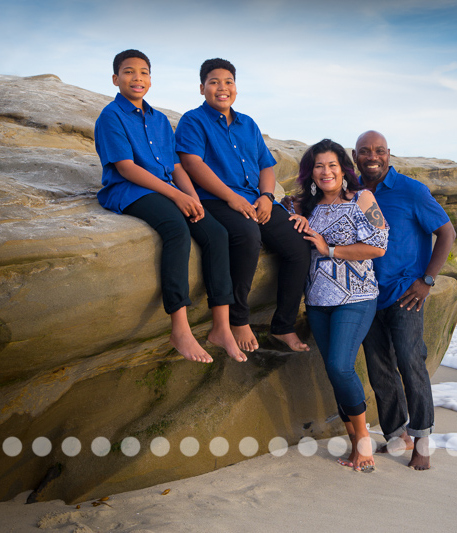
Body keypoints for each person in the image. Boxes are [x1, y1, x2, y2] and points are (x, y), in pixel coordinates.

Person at [94, 49, 246, 365]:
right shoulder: (111, 116)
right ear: (115, 79)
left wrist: (190, 196)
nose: (137, 78)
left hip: (168, 189)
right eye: (128, 72)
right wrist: (176, 197)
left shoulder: (160, 119)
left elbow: (176, 166)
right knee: (176, 230)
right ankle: (179, 328)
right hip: (130, 191)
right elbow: (126, 168)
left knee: (215, 233)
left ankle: (221, 326)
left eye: (144, 72)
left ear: (150, 78)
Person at [176, 58, 310, 353]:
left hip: (255, 199)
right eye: (213, 82)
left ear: (235, 88)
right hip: (214, 200)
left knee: (299, 248)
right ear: (202, 88)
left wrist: (266, 196)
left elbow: (266, 166)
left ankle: (283, 326)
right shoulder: (193, 121)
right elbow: (191, 163)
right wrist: (230, 197)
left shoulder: (247, 124)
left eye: (228, 82)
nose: (221, 88)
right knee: (247, 235)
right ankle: (237, 319)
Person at [354, 130, 456, 470]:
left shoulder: (411, 191)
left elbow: (447, 232)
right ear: (355, 156)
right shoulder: (352, 190)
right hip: (366, 294)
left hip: (405, 294)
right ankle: (397, 435)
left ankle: (423, 440)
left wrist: (427, 280)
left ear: (388, 154)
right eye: (365, 151)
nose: (373, 156)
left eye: (379, 151)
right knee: (378, 366)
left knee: (411, 361)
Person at [287, 139, 388, 472]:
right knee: (334, 372)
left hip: (356, 297)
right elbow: (279, 212)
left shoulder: (362, 199)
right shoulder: (306, 206)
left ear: (344, 168)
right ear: (310, 172)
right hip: (318, 301)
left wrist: (327, 248)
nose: (325, 172)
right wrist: (294, 216)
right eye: (318, 166)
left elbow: (378, 247)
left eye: (331, 165)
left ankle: (363, 444)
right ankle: (355, 444)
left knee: (341, 367)